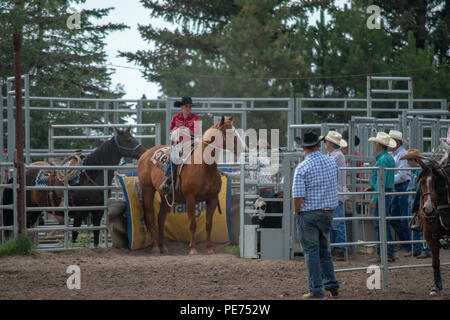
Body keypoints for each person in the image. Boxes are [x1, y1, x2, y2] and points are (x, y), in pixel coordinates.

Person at [292, 129, 340, 299]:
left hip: (309, 214)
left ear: (304, 147)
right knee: (324, 250)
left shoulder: (302, 167)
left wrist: (296, 212)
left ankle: (316, 290)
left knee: (311, 252)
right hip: (327, 212)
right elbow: (335, 181)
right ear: (318, 145)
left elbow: (298, 196)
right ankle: (332, 285)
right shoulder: (331, 162)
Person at [366, 132, 396, 263]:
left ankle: (386, 253)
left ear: (378, 144)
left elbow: (380, 181)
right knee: (384, 223)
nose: (374, 145)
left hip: (382, 193)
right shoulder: (387, 158)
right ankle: (387, 252)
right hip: (386, 191)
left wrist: (374, 198)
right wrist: (373, 188)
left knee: (381, 223)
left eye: (375, 143)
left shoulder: (382, 159)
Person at [159, 97, 200, 194]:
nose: (189, 108)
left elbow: (197, 133)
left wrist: (186, 130)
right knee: (172, 158)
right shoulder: (175, 118)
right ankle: (166, 180)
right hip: (179, 144)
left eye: (190, 107)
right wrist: (177, 131)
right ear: (182, 107)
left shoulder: (195, 118)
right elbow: (171, 133)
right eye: (187, 106)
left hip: (192, 143)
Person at [321, 131, 347, 261]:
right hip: (332, 194)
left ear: (330, 143)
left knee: (337, 222)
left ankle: (341, 249)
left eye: (326, 141)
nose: (325, 143)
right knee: (334, 222)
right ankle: (338, 248)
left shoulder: (337, 156)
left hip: (336, 194)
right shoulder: (334, 155)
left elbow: (325, 166)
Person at [400, 149, 431, 259]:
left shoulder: (419, 171)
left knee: (422, 222)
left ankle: (424, 249)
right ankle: (417, 248)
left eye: (409, 160)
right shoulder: (415, 171)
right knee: (416, 222)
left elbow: (419, 187)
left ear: (415, 160)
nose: (408, 163)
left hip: (417, 198)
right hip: (413, 197)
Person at [387, 130, 413, 255]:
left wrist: (389, 180)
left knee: (402, 217)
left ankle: (408, 245)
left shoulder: (401, 154)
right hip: (398, 187)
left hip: (402, 186)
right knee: (395, 217)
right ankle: (406, 244)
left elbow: (402, 176)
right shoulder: (396, 154)